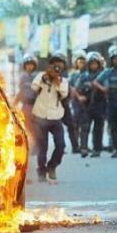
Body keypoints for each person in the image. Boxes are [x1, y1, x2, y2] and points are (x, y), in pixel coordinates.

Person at [30, 53, 69, 184]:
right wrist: (44, 78)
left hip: (55, 116)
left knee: (61, 145)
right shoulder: (42, 76)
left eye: (60, 64)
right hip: (40, 115)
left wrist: (56, 80)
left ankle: (52, 166)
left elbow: (64, 94)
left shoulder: (63, 80)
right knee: (43, 147)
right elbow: (34, 87)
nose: (57, 67)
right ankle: (41, 170)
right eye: (55, 64)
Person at [76, 52, 107, 158]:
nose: (93, 66)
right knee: (85, 126)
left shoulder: (103, 75)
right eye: (91, 64)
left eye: (95, 63)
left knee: (98, 127)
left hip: (99, 104)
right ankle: (83, 148)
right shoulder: (83, 76)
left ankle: (97, 149)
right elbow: (76, 89)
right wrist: (80, 97)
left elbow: (107, 88)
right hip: (86, 105)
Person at [13, 54, 40, 155]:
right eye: (27, 65)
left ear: (35, 65)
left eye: (31, 64)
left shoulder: (38, 77)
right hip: (26, 105)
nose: (29, 67)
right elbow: (21, 91)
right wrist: (14, 103)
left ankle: (38, 144)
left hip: (36, 105)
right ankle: (32, 143)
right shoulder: (22, 77)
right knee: (27, 126)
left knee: (37, 126)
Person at [68, 51, 88, 155]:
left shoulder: (88, 74)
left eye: (83, 62)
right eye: (79, 62)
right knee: (75, 125)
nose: (81, 64)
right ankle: (75, 146)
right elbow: (71, 87)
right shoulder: (73, 75)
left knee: (85, 125)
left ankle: (84, 146)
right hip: (75, 102)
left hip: (86, 102)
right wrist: (77, 96)